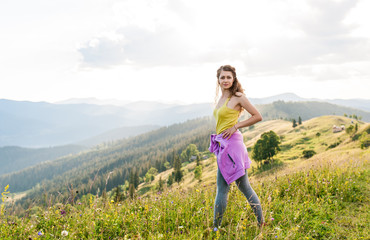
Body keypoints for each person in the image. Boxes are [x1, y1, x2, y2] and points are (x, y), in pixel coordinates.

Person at [209, 65, 265, 229]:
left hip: (232, 146)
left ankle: (216, 228)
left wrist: (236, 126)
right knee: (229, 188)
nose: (225, 80)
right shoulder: (220, 98)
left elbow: (257, 116)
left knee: (234, 188)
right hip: (223, 145)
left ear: (233, 79)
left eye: (228, 77)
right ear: (218, 80)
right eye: (222, 77)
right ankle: (217, 227)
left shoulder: (238, 97)